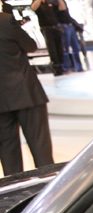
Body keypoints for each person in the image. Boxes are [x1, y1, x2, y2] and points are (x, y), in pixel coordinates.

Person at [0, 2, 54, 175]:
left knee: (8, 151)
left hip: (2, 99)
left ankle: (14, 193)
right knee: (40, 146)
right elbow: (30, 45)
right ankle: (48, 186)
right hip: (25, 92)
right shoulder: (7, 21)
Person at [30, 0, 64, 76]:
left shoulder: (51, 2)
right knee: (52, 49)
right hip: (46, 28)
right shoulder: (37, 3)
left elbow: (62, 9)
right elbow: (33, 8)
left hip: (56, 27)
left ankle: (61, 66)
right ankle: (56, 68)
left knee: (59, 48)